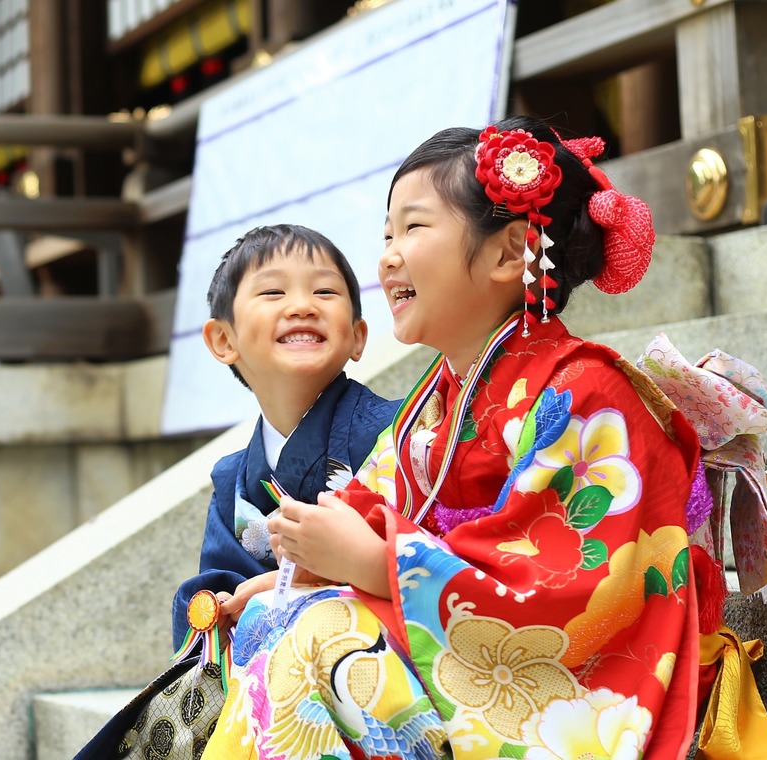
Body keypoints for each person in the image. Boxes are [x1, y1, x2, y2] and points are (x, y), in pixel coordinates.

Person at [206, 117, 706, 760]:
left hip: (555, 679)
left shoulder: (588, 392)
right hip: (453, 643)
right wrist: (296, 571)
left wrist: (366, 564)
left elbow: (560, 590)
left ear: (507, 253)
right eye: (386, 233)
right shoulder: (438, 394)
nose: (387, 255)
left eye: (413, 228)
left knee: (327, 636)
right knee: (274, 620)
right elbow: (370, 502)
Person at [171, 223, 400, 649]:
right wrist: (222, 609)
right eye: (273, 292)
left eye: (325, 293)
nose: (302, 306)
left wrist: (286, 587)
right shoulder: (231, 479)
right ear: (223, 339)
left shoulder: (397, 431)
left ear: (357, 336)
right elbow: (219, 582)